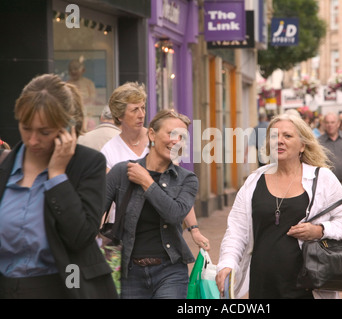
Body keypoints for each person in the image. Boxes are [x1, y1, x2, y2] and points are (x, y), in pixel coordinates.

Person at [215, 113, 342, 299]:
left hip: (307, 287)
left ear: (302, 145)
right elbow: (236, 230)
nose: (279, 141)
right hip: (262, 285)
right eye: (274, 136)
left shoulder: (321, 178)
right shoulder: (254, 181)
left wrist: (320, 230)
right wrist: (227, 264)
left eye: (287, 136)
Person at [0, 74, 117, 299]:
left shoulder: (87, 164)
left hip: (61, 289)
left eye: (44, 132)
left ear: (67, 128)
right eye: (26, 128)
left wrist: (57, 177)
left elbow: (81, 236)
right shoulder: (5, 165)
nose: (33, 140)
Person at [101, 82, 209, 251]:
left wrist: (194, 229)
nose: (141, 114)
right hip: (125, 230)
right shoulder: (109, 150)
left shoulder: (161, 140)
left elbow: (178, 187)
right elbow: (105, 198)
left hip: (161, 225)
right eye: (134, 110)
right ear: (119, 115)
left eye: (143, 108)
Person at [104, 109, 199, 298]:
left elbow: (175, 215)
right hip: (129, 272)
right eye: (171, 134)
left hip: (170, 271)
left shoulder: (187, 180)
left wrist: (147, 181)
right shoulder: (122, 172)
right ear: (152, 134)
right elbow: (94, 211)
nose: (176, 141)